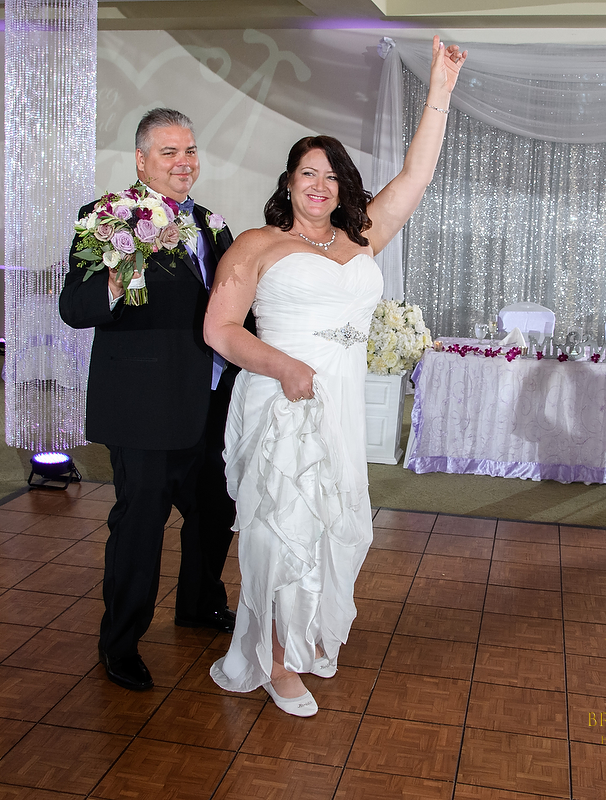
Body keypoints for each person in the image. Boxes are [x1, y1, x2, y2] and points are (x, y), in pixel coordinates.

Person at [203, 37, 467, 716]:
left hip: (340, 400)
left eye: (330, 176)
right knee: (282, 526)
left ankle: (298, 639)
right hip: (282, 399)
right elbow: (220, 330)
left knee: (330, 525)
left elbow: (417, 176)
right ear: (288, 182)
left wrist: (440, 88)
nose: (318, 186)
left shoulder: (361, 238)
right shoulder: (257, 245)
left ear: (343, 186)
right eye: (306, 174)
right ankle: (275, 661)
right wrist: (284, 365)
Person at [58, 108, 241, 692]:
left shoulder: (213, 226)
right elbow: (75, 308)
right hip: (144, 407)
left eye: (190, 151)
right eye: (169, 152)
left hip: (209, 402)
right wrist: (121, 269)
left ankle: (199, 604)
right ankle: (120, 644)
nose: (184, 162)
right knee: (140, 527)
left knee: (215, 511)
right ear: (141, 160)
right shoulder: (104, 218)